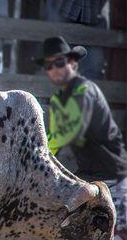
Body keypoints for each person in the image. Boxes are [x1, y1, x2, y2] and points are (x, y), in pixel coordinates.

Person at [35, 36, 127, 235]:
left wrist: (38, 155)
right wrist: (41, 154)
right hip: (90, 179)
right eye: (49, 66)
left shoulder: (85, 90)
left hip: (113, 177)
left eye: (59, 63)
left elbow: (69, 130)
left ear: (72, 63)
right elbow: (54, 142)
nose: (55, 70)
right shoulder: (59, 100)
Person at [32, 0, 127, 80]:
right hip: (61, 2)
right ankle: (47, 98)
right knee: (54, 62)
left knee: (94, 68)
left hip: (94, 10)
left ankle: (84, 98)